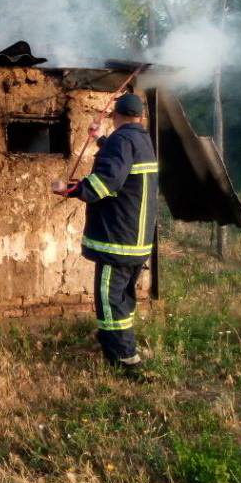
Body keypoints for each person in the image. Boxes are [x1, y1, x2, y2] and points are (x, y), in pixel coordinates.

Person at [52, 93, 158, 379]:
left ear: (115, 115)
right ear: (141, 117)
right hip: (137, 241)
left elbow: (105, 182)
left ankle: (124, 361)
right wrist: (101, 140)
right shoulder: (141, 140)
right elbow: (121, 160)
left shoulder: (121, 142)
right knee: (124, 298)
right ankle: (127, 346)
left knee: (109, 301)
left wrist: (70, 189)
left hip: (117, 241)